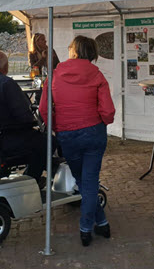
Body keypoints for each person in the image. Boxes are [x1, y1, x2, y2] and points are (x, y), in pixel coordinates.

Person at [39, 35, 115, 247]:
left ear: (73, 50)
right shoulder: (98, 75)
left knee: (84, 180)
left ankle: (100, 223)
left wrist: (57, 128)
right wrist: (103, 122)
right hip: (93, 133)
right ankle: (89, 226)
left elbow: (44, 110)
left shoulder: (54, 75)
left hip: (67, 134)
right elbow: (108, 111)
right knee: (88, 181)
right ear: (92, 53)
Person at [0, 50, 46, 184]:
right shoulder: (6, 83)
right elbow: (25, 116)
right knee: (47, 142)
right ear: (6, 68)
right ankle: (31, 180)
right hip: (7, 138)